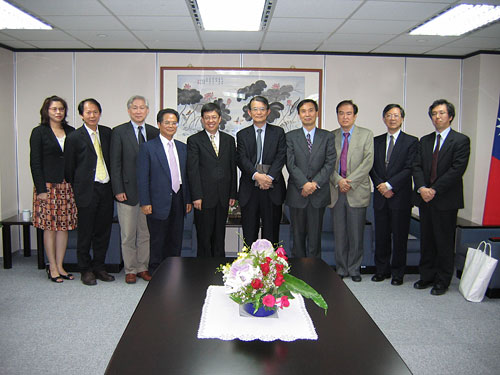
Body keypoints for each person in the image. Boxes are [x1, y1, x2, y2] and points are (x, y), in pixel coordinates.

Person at [412, 99, 470, 296]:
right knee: (427, 239)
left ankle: (442, 280)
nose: (437, 117)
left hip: (445, 199)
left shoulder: (461, 141)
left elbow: (456, 170)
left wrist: (434, 190)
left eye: (442, 113)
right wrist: (422, 188)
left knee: (444, 241)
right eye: (434, 114)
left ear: (450, 116)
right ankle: (426, 276)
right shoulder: (425, 141)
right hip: (425, 198)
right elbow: (417, 166)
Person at [65, 98, 115, 286]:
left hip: (106, 188)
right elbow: (69, 169)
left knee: (103, 231)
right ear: (81, 115)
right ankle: (85, 270)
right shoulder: (74, 138)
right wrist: (80, 186)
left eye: (95, 112)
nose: (92, 115)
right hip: (87, 190)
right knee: (85, 232)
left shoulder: (108, 133)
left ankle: (99, 267)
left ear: (99, 113)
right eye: (88, 112)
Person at [110, 95, 159, 284]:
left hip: (148, 194)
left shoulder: (154, 132)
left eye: (142, 108)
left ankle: (142, 267)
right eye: (135, 108)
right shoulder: (119, 132)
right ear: (129, 110)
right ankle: (130, 269)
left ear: (147, 110)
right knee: (128, 234)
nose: (139, 111)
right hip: (127, 193)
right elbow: (115, 164)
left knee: (145, 233)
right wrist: (118, 189)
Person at [137, 108, 192, 274]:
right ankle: (155, 272)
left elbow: (186, 176)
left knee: (175, 239)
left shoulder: (182, 147)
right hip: (157, 200)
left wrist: (187, 199)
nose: (170, 126)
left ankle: (173, 270)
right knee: (158, 239)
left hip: (178, 198)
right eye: (167, 122)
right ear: (159, 124)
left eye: (174, 123)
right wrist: (145, 202)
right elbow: (143, 177)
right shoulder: (148, 148)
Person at [29, 95, 77, 283]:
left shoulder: (71, 131)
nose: (58, 112)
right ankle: (52, 267)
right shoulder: (39, 132)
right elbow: (35, 162)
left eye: (61, 109)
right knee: (50, 228)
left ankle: (61, 265)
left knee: (64, 228)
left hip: (67, 186)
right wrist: (40, 188)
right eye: (54, 109)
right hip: (47, 187)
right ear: (46, 111)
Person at [369, 104, 418, 285]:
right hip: (380, 196)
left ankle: (398, 273)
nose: (392, 118)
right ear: (383, 118)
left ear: (402, 119)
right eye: (389, 115)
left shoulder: (412, 142)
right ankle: (382, 270)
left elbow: (409, 168)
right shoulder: (376, 141)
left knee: (399, 237)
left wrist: (390, 185)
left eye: (396, 115)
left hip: (400, 197)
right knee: (381, 236)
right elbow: (371, 167)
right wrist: (381, 186)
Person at [329, 100, 373, 282]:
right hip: (336, 191)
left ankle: (354, 269)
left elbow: (368, 162)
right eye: (341, 113)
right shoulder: (331, 136)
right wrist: (339, 180)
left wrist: (350, 181)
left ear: (355, 115)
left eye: (348, 113)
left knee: (356, 234)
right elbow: (327, 163)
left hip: (357, 191)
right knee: (339, 234)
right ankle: (341, 268)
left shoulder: (366, 134)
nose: (344, 117)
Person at [285, 99, 336, 258]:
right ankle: (299, 271)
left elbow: (330, 162)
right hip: (297, 192)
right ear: (299, 115)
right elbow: (290, 163)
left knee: (315, 237)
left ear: (316, 113)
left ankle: (315, 272)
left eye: (311, 110)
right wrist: (304, 184)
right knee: (297, 237)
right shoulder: (290, 136)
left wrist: (314, 184)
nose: (307, 114)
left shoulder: (327, 136)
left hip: (318, 193)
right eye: (303, 111)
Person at [187, 102, 237, 257]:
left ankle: (219, 269)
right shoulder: (194, 140)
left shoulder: (229, 140)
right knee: (204, 237)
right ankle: (202, 272)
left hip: (223, 197)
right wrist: (196, 196)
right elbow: (192, 170)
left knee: (219, 236)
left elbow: (232, 168)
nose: (211, 121)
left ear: (220, 119)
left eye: (214, 117)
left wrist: (232, 194)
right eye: (207, 117)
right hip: (203, 198)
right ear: (202, 120)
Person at [236, 96, 286, 246]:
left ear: (268, 111)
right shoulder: (242, 135)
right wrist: (257, 176)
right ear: (250, 112)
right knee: (249, 235)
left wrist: (268, 178)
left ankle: (269, 268)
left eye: (262, 109)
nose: (258, 112)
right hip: (249, 189)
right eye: (255, 109)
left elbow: (281, 156)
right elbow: (241, 158)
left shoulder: (278, 132)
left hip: (272, 188)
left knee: (271, 235)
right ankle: (248, 268)